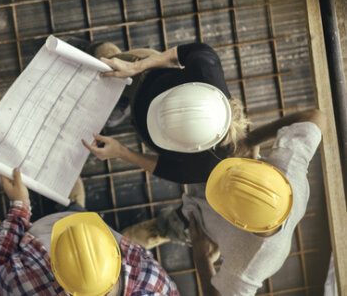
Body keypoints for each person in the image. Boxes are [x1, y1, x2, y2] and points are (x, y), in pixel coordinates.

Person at [125, 109, 326, 295]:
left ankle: (162, 229)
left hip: (204, 226)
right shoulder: (289, 169)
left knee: (183, 224)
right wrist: (251, 140)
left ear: (233, 220)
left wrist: (202, 256)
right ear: (269, 173)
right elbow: (315, 117)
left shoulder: (247, 266)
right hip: (228, 182)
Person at [0, 168, 179, 295]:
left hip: (34, 235)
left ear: (54, 267)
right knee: (76, 215)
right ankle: (74, 209)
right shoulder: (151, 282)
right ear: (117, 257)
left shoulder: (23, 281)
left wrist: (19, 206)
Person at [71, 40, 251, 184]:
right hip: (145, 75)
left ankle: (124, 104)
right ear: (191, 87)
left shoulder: (207, 166)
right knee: (105, 60)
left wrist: (121, 152)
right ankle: (95, 48)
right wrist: (135, 67)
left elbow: (164, 168)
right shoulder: (206, 67)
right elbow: (176, 55)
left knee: (110, 95)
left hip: (143, 121)